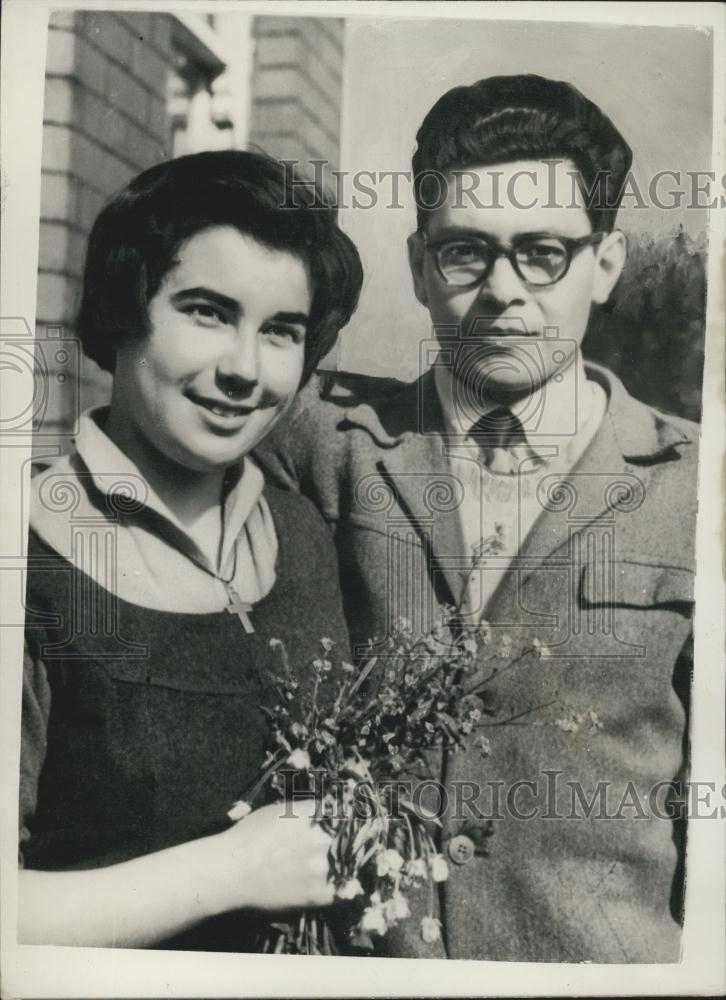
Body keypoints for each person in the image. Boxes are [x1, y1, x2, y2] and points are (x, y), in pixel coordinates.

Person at [256, 75, 698, 962]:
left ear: (604, 264)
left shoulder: (699, 482)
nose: (503, 289)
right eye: (465, 252)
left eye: (544, 252)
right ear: (421, 266)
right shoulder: (315, 439)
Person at [19, 150, 363, 950]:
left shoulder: (305, 535)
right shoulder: (23, 551)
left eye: (281, 331)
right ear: (122, 310)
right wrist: (230, 872)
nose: (244, 369)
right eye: (207, 312)